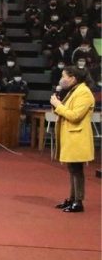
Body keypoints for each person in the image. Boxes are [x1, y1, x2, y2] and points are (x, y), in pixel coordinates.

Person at [50, 66, 95, 213]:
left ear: (73, 78)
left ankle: (78, 201)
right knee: (72, 169)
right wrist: (57, 105)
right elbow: (66, 111)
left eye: (64, 76)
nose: (61, 79)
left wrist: (58, 106)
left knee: (77, 170)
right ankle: (72, 198)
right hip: (70, 135)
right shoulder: (74, 90)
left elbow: (75, 116)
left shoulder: (84, 93)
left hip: (77, 136)